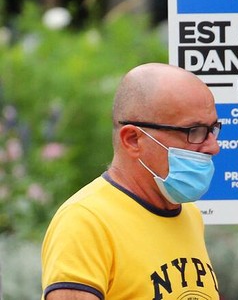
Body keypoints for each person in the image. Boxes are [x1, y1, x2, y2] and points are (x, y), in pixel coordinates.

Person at [41, 63, 222, 300]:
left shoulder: (189, 214)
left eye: (213, 129)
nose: (213, 146)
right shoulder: (85, 222)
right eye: (195, 131)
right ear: (133, 139)